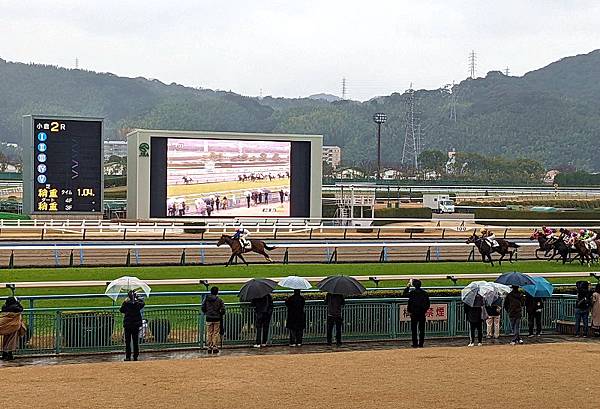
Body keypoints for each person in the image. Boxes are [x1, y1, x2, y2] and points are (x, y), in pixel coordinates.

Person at [402, 279, 430, 348]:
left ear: (414, 285)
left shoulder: (412, 293)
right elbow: (428, 304)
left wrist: (408, 286)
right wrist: (424, 310)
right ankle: (421, 344)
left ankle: (415, 344)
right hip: (421, 313)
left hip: (414, 313)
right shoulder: (425, 293)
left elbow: (404, 294)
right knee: (422, 329)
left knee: (414, 329)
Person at [120, 290, 145, 361]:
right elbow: (143, 303)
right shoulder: (137, 304)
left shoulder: (126, 303)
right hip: (135, 325)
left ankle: (128, 356)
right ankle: (135, 356)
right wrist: (137, 298)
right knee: (135, 341)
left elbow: (121, 310)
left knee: (127, 342)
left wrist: (124, 301)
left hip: (128, 324)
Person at [202, 286, 225, 354]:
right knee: (215, 333)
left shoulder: (206, 299)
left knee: (209, 333)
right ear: (217, 292)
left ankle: (209, 346)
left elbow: (203, 307)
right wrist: (220, 313)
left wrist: (206, 312)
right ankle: (215, 346)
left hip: (209, 318)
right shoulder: (219, 300)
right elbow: (223, 309)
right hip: (217, 318)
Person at [0, 296, 25, 361]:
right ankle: (9, 355)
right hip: (13, 326)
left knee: (6, 340)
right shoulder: (16, 309)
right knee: (11, 341)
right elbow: (21, 309)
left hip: (6, 327)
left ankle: (5, 354)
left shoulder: (4, 307)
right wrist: (18, 302)